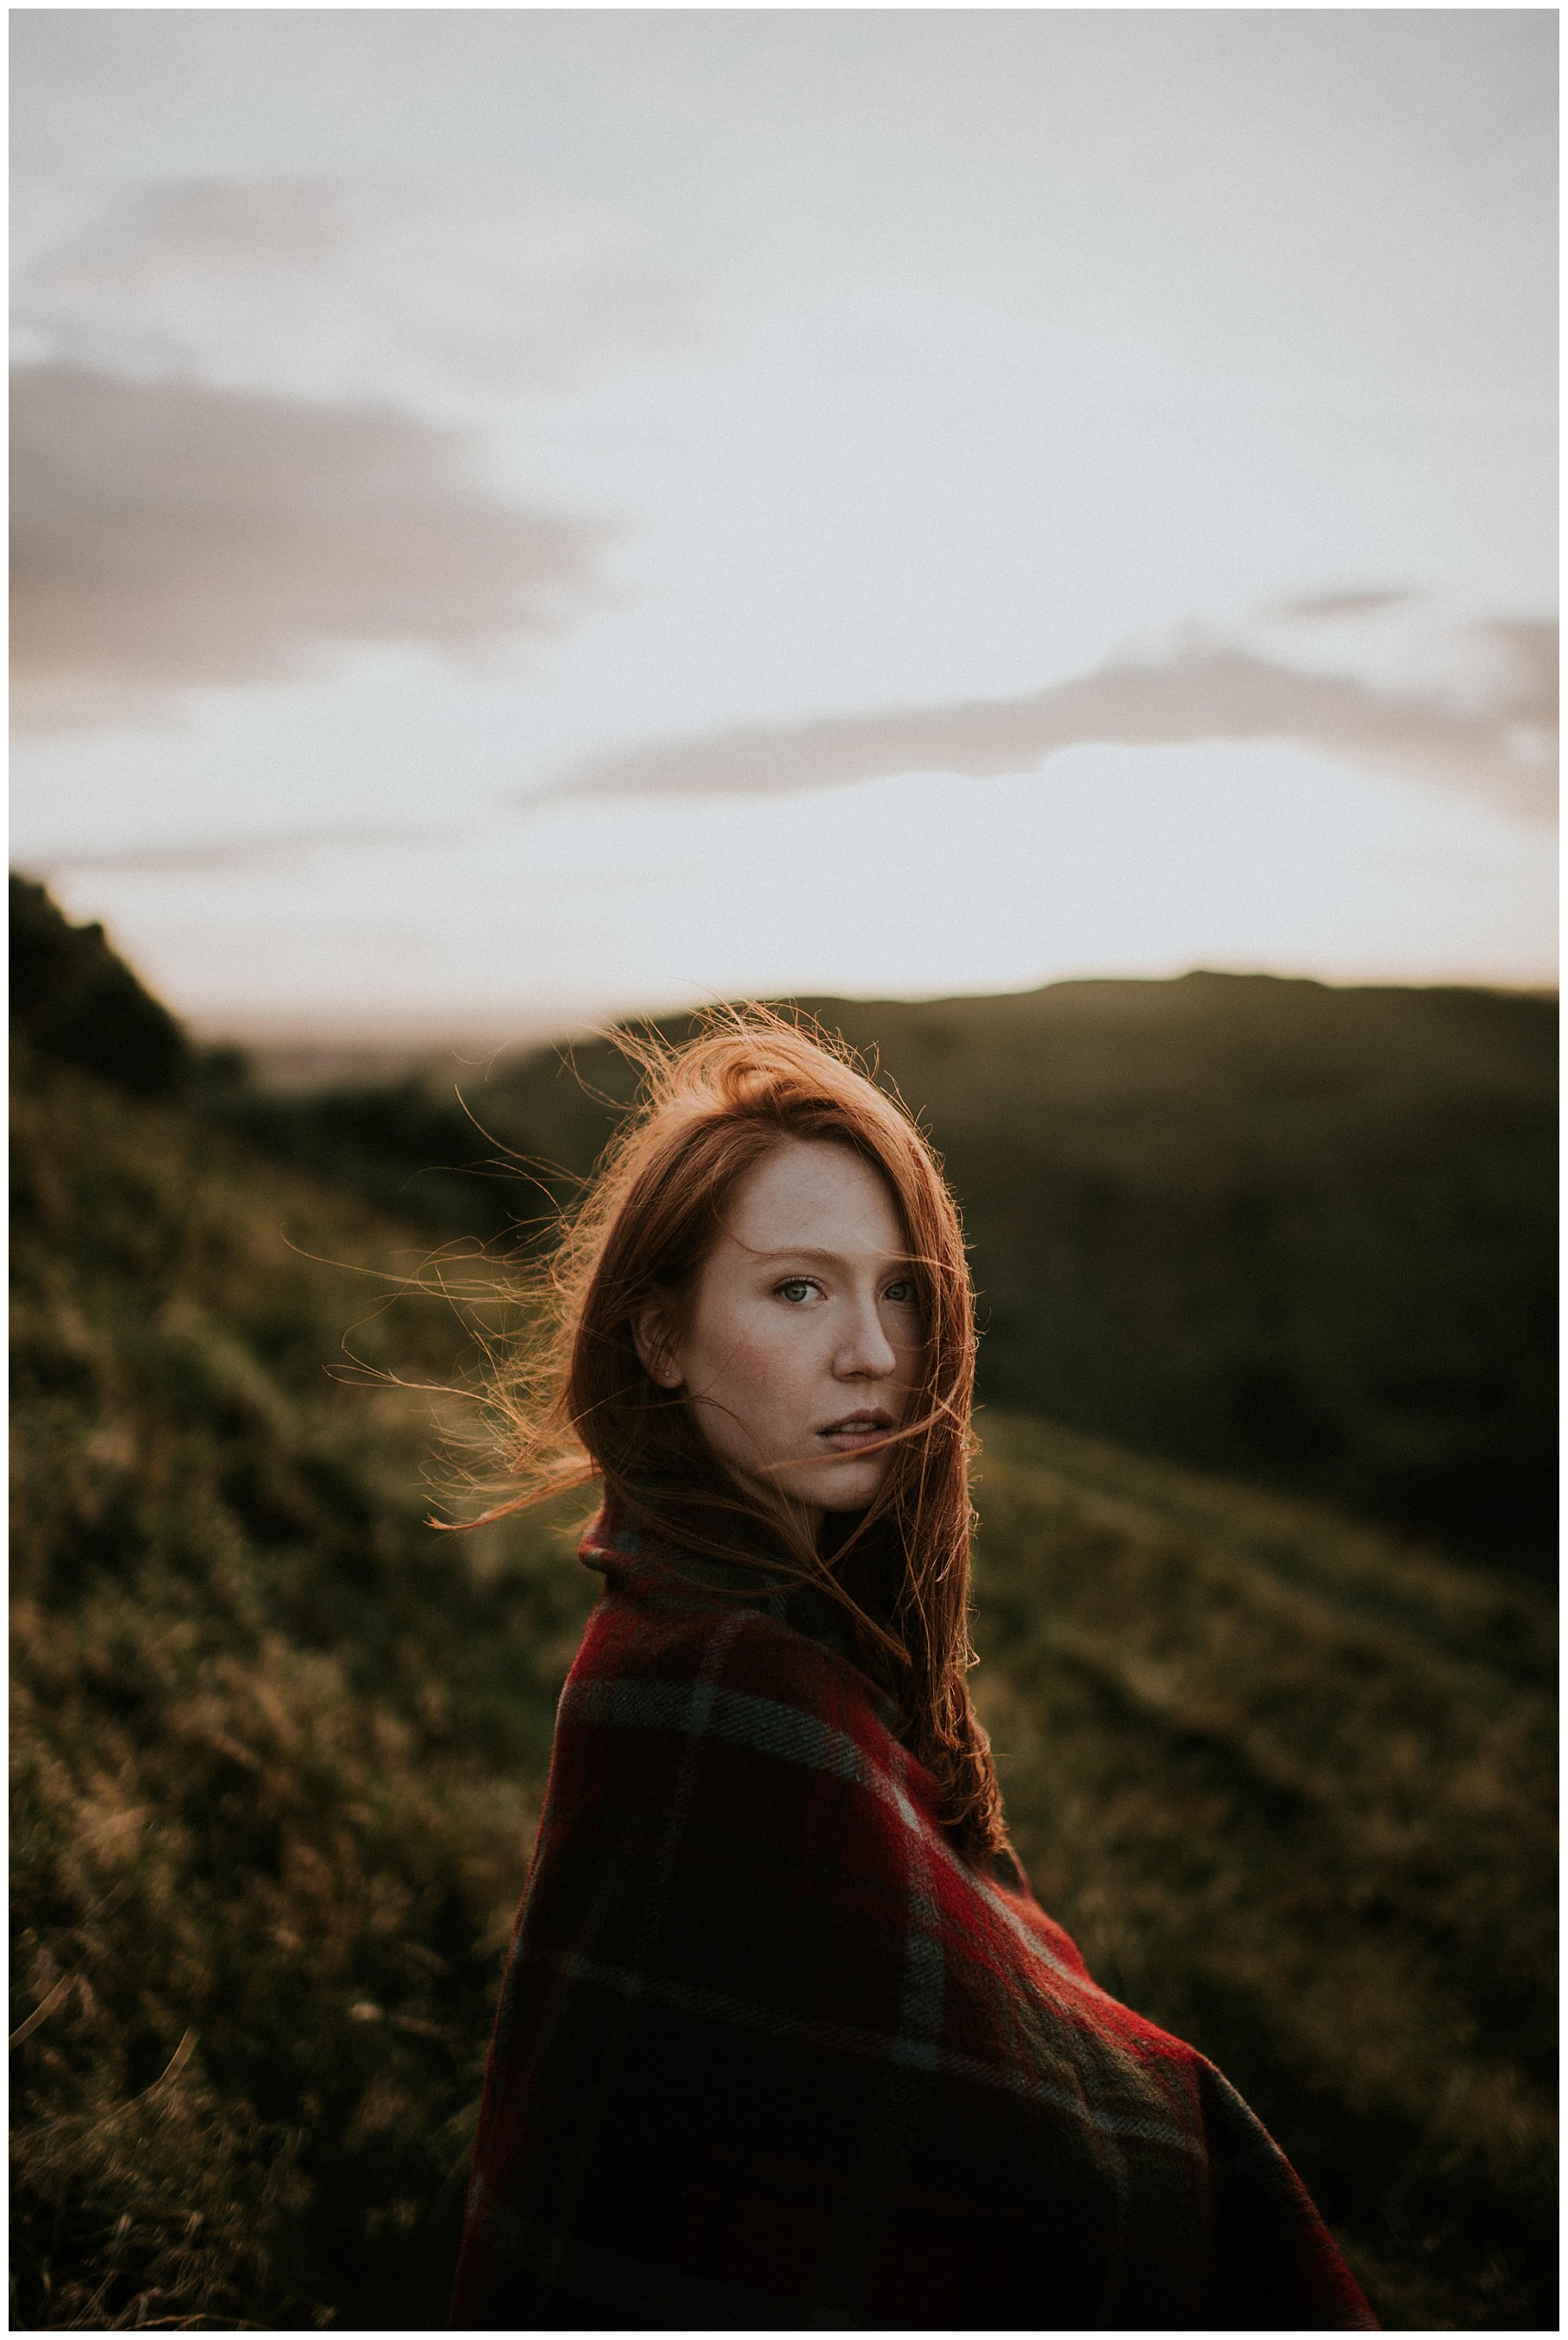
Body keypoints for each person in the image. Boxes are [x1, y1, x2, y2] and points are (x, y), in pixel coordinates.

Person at [448, 1014, 1377, 2331]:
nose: (876, 1354)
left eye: (900, 1290)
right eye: (797, 1289)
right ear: (659, 1337)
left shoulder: (788, 1637)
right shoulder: (712, 1683)